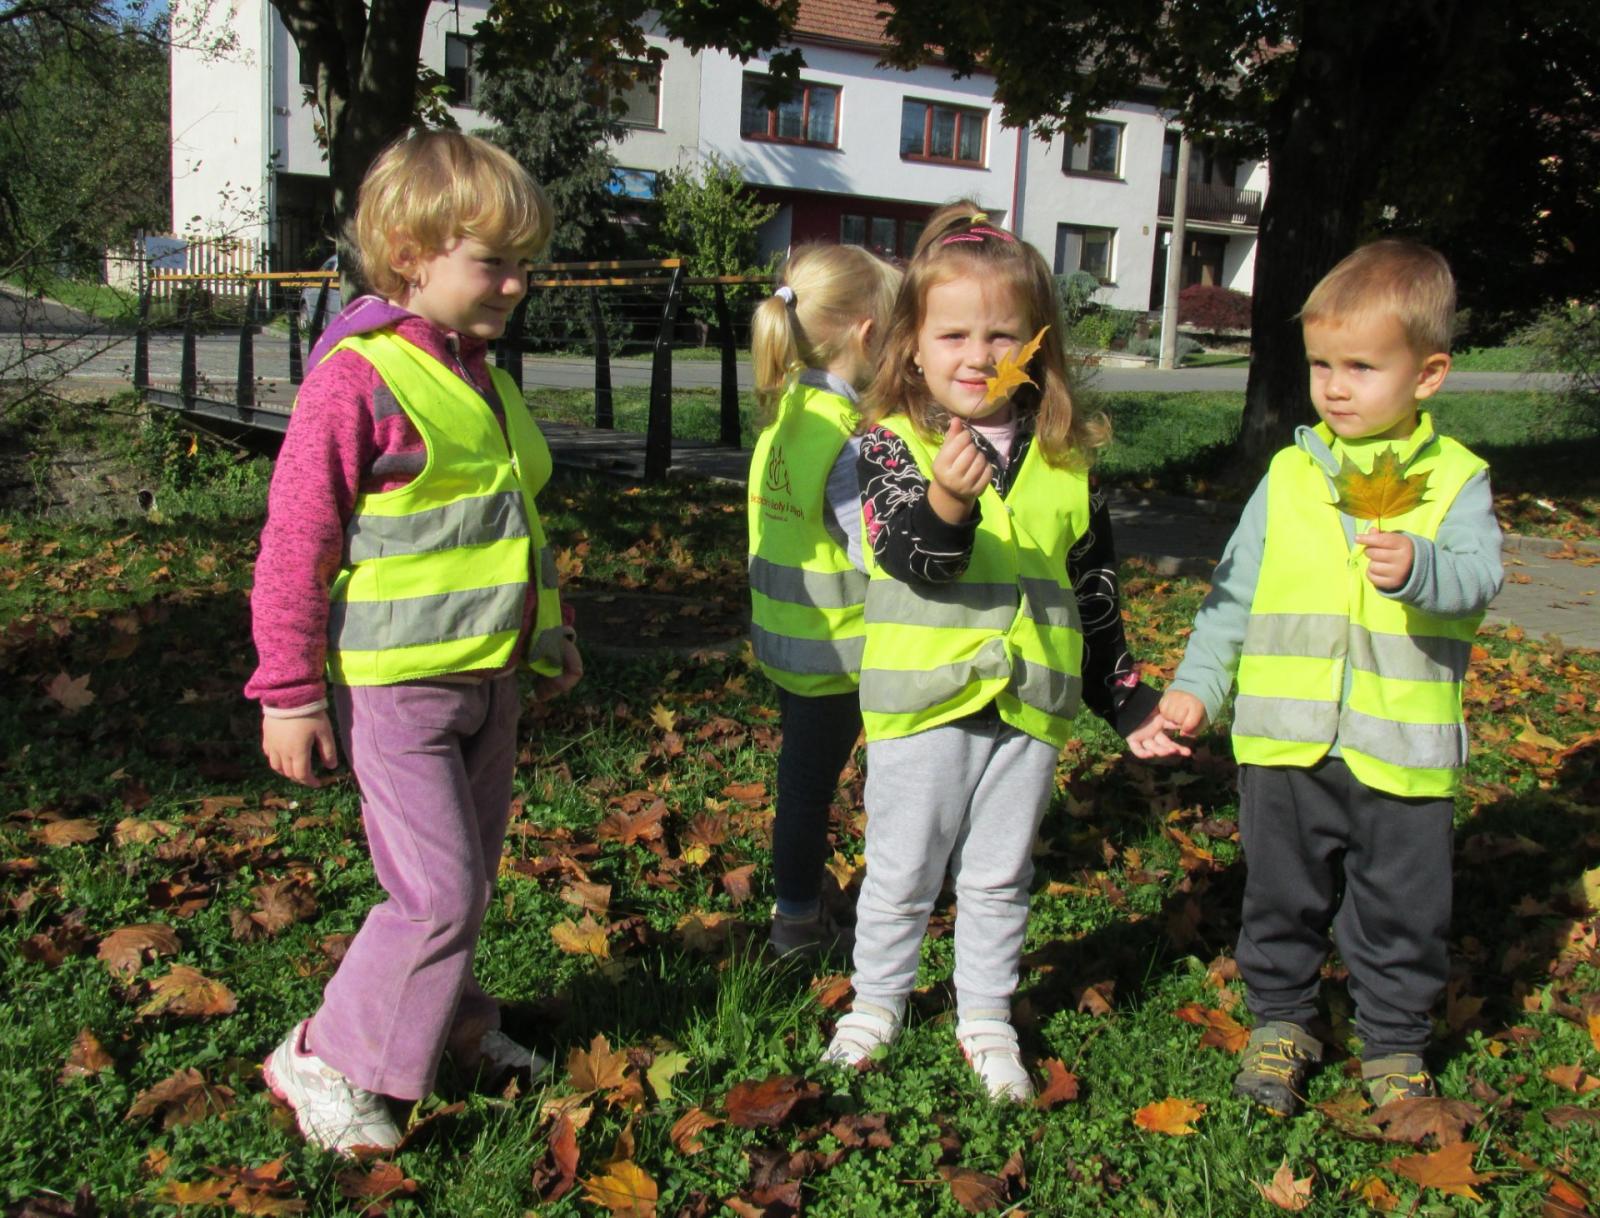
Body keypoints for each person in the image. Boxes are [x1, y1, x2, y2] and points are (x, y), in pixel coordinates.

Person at [244, 130, 582, 1155]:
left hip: (486, 678)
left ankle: (454, 1027)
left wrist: (551, 626)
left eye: (526, 262)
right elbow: (296, 541)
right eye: (494, 261)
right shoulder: (360, 378)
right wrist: (291, 692)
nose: (518, 283)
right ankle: (327, 1056)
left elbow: (515, 514)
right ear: (408, 252)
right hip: (395, 691)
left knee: (468, 875)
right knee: (434, 890)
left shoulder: (479, 374)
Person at [821, 203, 1182, 1101]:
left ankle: (985, 1012)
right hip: (925, 703)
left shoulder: (1064, 460)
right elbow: (912, 556)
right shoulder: (886, 447)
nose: (977, 356)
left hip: (1033, 705)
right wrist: (946, 500)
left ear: (1038, 348)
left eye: (1002, 335)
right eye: (953, 334)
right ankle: (878, 1002)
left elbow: (1094, 590)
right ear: (909, 347)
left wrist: (1127, 698)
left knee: (998, 872)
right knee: (903, 868)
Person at [1137, 239, 1503, 1115]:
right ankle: (1283, 1020)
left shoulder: (1455, 482)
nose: (1335, 386)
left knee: (1404, 908)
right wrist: (1197, 686)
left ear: (1429, 375)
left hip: (1401, 751)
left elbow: (1477, 586)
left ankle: (1395, 1038)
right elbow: (1233, 597)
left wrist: (1421, 566)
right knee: (1280, 894)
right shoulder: (1290, 477)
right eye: (1320, 365)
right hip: (1284, 742)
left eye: (1362, 366)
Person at [747, 244, 901, 958]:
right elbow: (878, 552)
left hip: (789, 637)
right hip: (841, 650)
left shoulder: (789, 411)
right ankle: (798, 925)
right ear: (868, 334)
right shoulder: (848, 438)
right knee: (819, 790)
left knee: (803, 785)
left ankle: (800, 915)